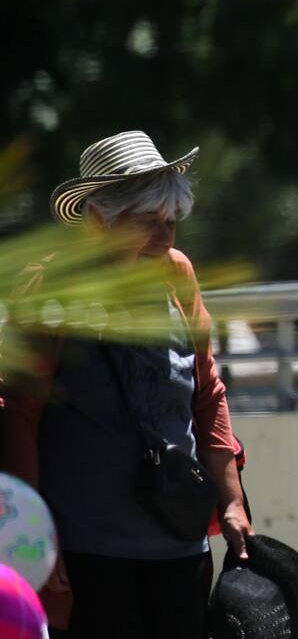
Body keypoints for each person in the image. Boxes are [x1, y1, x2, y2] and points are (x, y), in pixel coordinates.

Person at [0, 131, 251, 638]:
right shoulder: (50, 288)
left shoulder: (177, 275)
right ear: (98, 221)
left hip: (179, 539)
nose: (164, 238)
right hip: (84, 547)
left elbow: (208, 394)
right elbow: (15, 414)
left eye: (171, 223)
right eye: (147, 223)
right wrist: (31, 540)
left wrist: (231, 502)